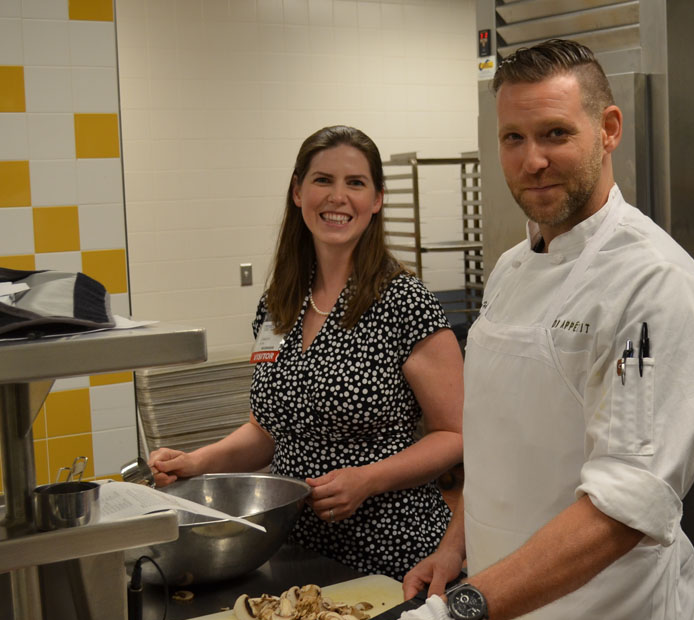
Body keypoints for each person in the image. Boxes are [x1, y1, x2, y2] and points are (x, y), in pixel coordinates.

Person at [330, 39, 694, 620]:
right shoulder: (512, 270)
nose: (531, 160)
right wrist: (455, 549)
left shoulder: (651, 289)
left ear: (609, 130)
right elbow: (501, 438)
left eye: (555, 134)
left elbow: (624, 506)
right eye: (514, 137)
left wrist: (450, 618)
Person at [148, 125, 464, 581]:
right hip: (289, 545)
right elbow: (269, 429)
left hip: (392, 552)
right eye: (322, 180)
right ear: (298, 192)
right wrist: (197, 461)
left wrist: (367, 478)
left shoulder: (404, 302)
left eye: (355, 183)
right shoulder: (279, 304)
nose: (338, 197)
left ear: (376, 199)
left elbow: (455, 435)